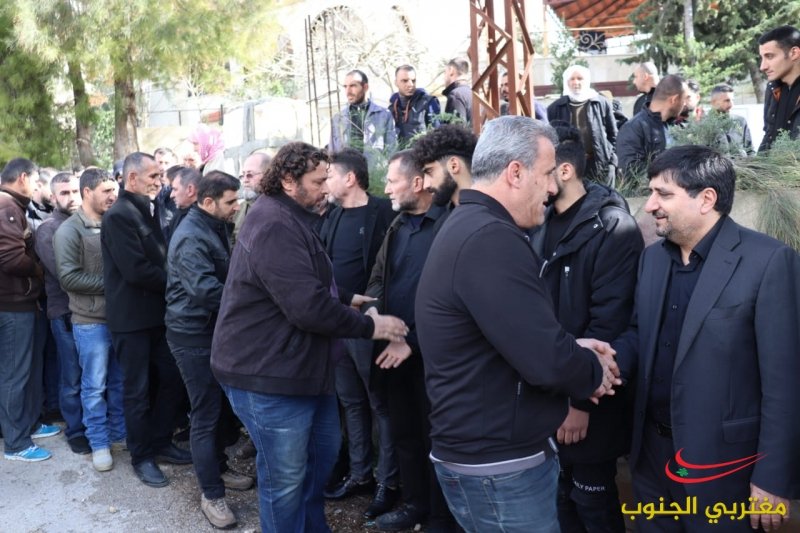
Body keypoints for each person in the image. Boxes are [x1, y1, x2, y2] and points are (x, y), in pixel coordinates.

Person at [415, 116, 620, 533]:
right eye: (546, 174)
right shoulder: (489, 238)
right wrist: (594, 370)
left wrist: (574, 348)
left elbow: (510, 336)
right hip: (499, 468)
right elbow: (545, 360)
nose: (552, 187)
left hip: (487, 458)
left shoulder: (470, 225)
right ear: (515, 172)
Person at [210, 141, 409, 533]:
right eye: (318, 182)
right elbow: (307, 307)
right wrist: (372, 326)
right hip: (268, 376)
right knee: (285, 483)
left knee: (315, 467)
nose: (325, 189)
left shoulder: (289, 215)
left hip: (301, 372)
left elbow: (301, 280)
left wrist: (345, 297)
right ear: (289, 181)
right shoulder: (273, 223)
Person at [613, 145, 800, 532]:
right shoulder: (652, 259)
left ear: (706, 199)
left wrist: (773, 478)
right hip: (651, 461)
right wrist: (602, 363)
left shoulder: (768, 261)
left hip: (725, 469)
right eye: (650, 192)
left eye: (663, 194)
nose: (650, 205)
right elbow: (639, 334)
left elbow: (785, 384)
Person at [529, 126, 643, 532]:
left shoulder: (613, 227)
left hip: (590, 400)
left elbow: (610, 325)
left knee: (592, 501)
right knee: (560, 500)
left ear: (563, 171)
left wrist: (580, 403)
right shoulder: (539, 221)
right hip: (549, 394)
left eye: (539, 170)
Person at [362, 150, 456, 532]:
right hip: (391, 353)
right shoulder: (397, 225)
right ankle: (415, 505)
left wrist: (412, 341)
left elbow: (453, 299)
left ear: (418, 183)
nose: (385, 189)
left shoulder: (449, 224)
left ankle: (440, 518)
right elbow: (378, 277)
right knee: (405, 435)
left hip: (433, 358)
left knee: (437, 441)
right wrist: (373, 314)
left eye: (392, 181)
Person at [166, 171, 252, 529]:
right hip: (192, 335)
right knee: (205, 413)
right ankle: (211, 494)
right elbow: (205, 291)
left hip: (212, 331)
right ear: (207, 202)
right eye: (230, 201)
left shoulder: (213, 225)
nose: (236, 206)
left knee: (219, 412)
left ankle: (218, 468)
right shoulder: (191, 235)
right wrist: (253, 302)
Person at [102, 152, 192, 487]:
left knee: (171, 378)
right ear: (132, 178)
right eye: (153, 176)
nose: (159, 181)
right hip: (131, 320)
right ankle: (141, 456)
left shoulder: (149, 208)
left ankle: (160, 441)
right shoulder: (118, 215)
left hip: (156, 316)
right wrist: (178, 282)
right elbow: (136, 270)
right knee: (137, 390)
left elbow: (159, 256)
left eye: (159, 175)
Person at [318, 149, 399, 518]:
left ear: (350, 178)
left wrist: (374, 310)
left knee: (380, 404)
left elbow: (390, 268)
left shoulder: (383, 213)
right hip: (338, 323)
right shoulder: (332, 216)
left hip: (370, 325)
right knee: (350, 402)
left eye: (330, 175)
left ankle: (387, 481)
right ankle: (360, 473)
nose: (325, 182)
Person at [54, 168, 126, 472]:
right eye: (106, 191)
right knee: (94, 386)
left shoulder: (115, 221)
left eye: (114, 189)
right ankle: (99, 442)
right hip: (90, 322)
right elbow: (69, 278)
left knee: (120, 382)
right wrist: (115, 283)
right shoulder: (69, 231)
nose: (113, 195)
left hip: (121, 319)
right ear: (87, 192)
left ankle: (119, 434)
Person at [0, 158, 60, 462]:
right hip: (13, 305)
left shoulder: (11, 205)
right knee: (15, 374)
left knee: (25, 370)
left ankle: (30, 424)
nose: (38, 187)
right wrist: (39, 270)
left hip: (21, 303)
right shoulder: (6, 207)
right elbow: (11, 259)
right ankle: (16, 443)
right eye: (36, 181)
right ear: (23, 178)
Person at [33, 173, 89, 455]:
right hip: (65, 312)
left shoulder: (90, 222)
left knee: (94, 376)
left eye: (75, 191)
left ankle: (93, 425)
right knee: (72, 376)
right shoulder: (48, 229)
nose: (71, 197)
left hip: (93, 312)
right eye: (64, 193)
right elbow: (64, 275)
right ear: (53, 197)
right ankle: (75, 430)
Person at [547, 64, 617, 185]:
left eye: (580, 78)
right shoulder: (556, 107)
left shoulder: (600, 103)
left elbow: (613, 134)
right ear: (566, 82)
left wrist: (612, 161)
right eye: (572, 79)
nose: (576, 82)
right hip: (570, 165)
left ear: (587, 80)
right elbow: (551, 138)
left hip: (599, 164)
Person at [616, 74, 689, 183]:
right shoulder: (633, 129)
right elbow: (631, 174)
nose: (685, 104)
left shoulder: (677, 127)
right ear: (673, 99)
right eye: (684, 99)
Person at [330, 70, 397, 169]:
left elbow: (391, 150)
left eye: (353, 86)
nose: (348, 92)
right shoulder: (339, 118)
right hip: (346, 174)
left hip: (375, 175)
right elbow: (332, 152)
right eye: (345, 87)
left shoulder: (383, 115)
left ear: (365, 87)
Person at [410, 124, 477, 214]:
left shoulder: (490, 215)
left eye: (429, 171)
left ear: (454, 165)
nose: (425, 185)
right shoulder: (444, 220)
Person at [757, 25, 800, 151]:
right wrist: (757, 162)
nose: (762, 67)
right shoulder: (773, 89)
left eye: (769, 56)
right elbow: (769, 135)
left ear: (794, 53)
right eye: (762, 58)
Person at [389, 65, 441, 147]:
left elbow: (438, 135)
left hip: (423, 153)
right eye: (405, 81)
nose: (410, 84)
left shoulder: (428, 103)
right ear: (396, 83)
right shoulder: (391, 109)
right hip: (400, 154)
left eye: (413, 81)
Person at [233, 152, 270, 245]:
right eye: (242, 175)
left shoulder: (276, 209)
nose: (245, 180)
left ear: (267, 175)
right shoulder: (239, 209)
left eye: (250, 175)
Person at [708, 84, 754, 156]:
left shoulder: (740, 122)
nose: (731, 105)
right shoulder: (704, 126)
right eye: (727, 101)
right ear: (713, 102)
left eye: (732, 100)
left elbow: (750, 151)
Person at [443, 57, 472, 126]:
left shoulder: (455, 95)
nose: (443, 77)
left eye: (445, 72)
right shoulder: (473, 93)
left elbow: (456, 129)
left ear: (451, 71)